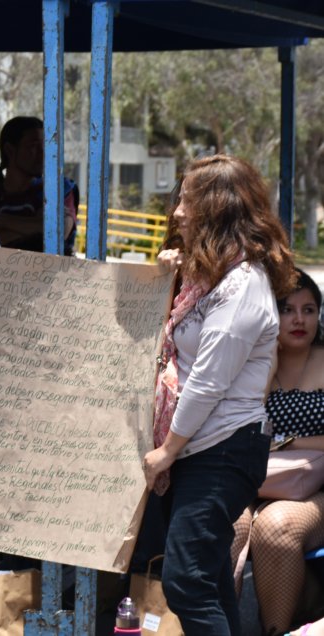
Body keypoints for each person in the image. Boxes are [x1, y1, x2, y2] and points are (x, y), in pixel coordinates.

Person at [142, 154, 297, 635]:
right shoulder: (207, 277)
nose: (177, 213)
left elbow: (207, 381)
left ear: (215, 210)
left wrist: (166, 451)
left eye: (188, 201)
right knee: (207, 577)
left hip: (221, 450)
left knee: (186, 580)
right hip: (201, 448)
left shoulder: (242, 286)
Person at [229, 269, 324, 634]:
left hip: (314, 491)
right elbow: (240, 428)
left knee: (276, 525)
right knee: (227, 523)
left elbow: (266, 438)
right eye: (287, 310)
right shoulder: (253, 362)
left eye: (309, 309)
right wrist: (266, 369)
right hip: (252, 481)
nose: (299, 319)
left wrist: (287, 441)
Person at [0, 116, 78, 255]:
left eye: (44, 146)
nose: (43, 153)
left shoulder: (59, 190)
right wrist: (37, 226)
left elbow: (58, 231)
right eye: (33, 146)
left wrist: (0, 221)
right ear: (10, 150)